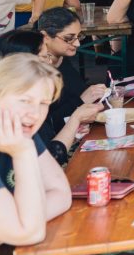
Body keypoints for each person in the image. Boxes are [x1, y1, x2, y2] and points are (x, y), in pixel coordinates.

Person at [0, 56, 104, 255]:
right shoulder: (20, 141)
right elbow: (29, 232)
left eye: (43, 103)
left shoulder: (21, 131)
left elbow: (61, 191)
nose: (34, 112)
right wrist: (21, 154)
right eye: (24, 100)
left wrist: (22, 219)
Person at [34, 8, 106, 165]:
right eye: (69, 38)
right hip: (56, 151)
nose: (78, 43)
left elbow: (75, 91)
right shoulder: (34, 73)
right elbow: (47, 125)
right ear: (46, 36)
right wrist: (81, 101)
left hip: (78, 134)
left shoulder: (61, 58)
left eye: (79, 37)